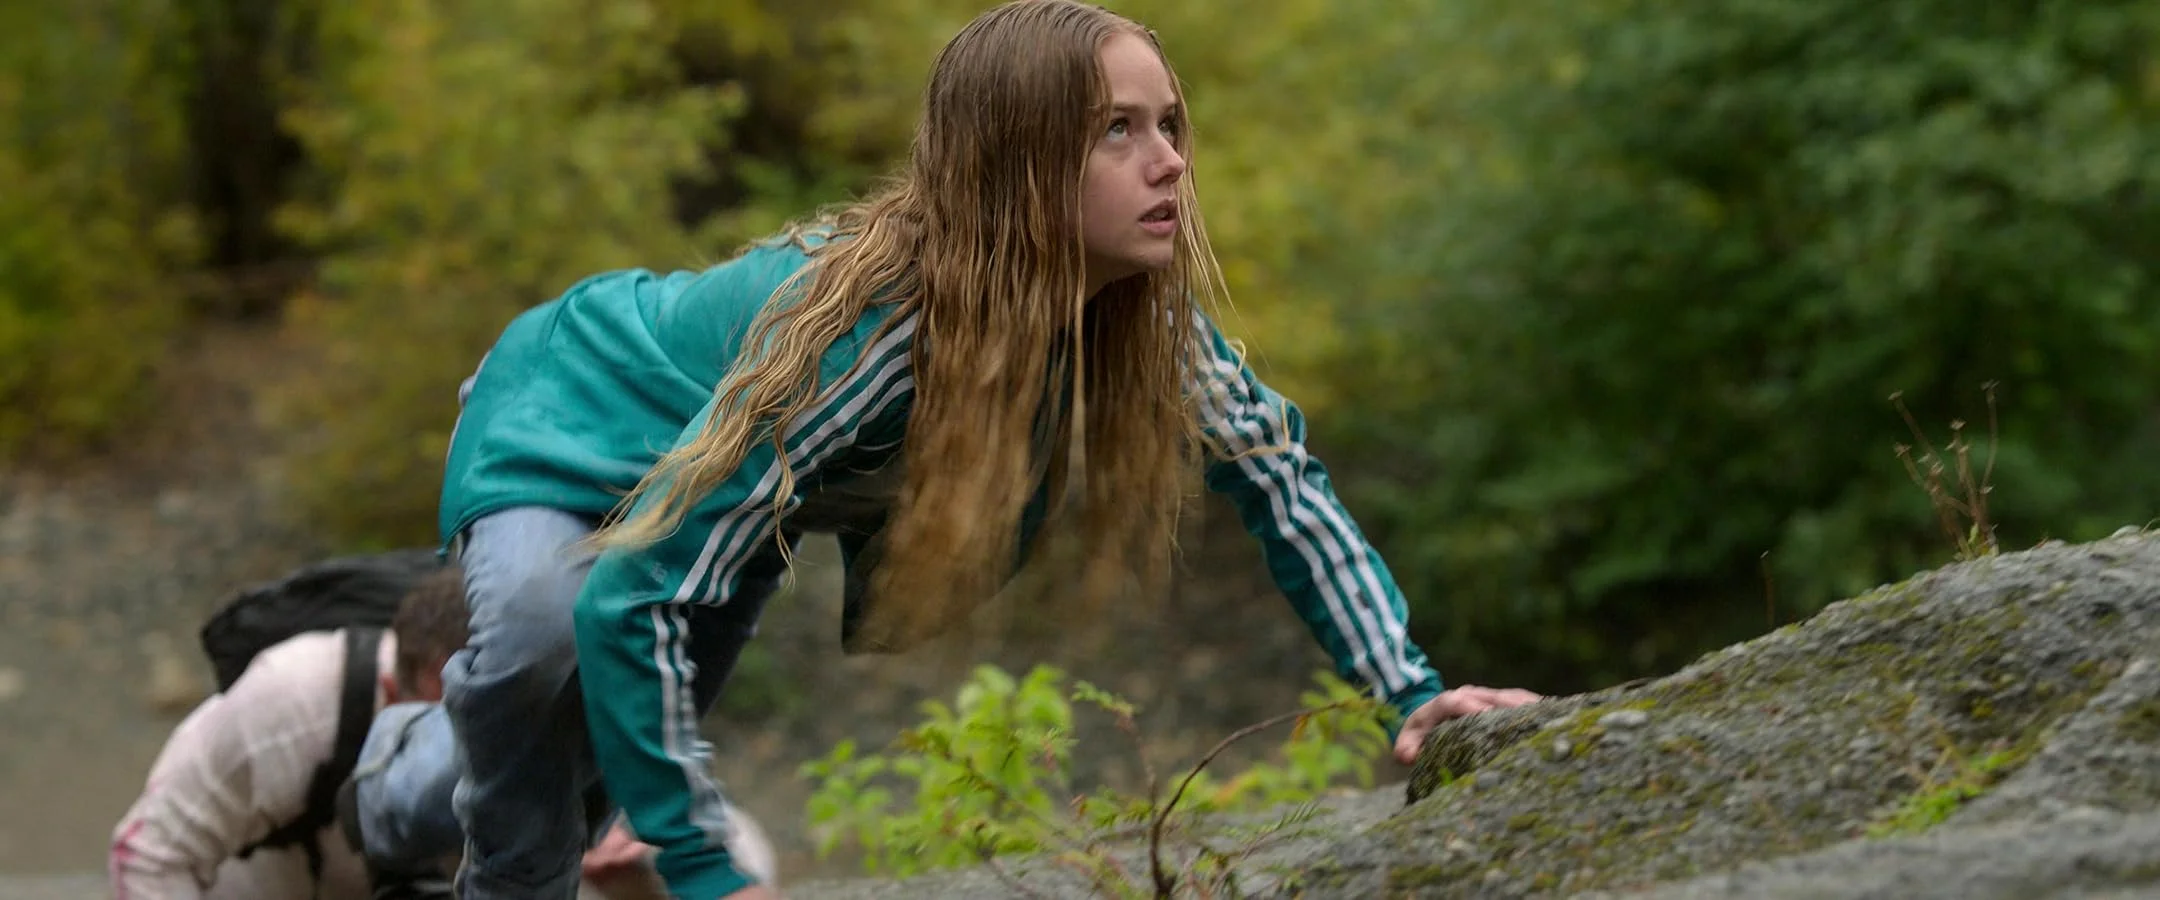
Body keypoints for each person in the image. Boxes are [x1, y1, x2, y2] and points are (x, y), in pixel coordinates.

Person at [355, 2, 1543, 898]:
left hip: (731, 485)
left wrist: (1414, 690)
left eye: (1170, 125)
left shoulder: (1145, 329)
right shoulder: (875, 337)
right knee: (544, 645)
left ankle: (451, 786)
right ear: (1013, 166)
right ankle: (388, 777)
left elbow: (1283, 485)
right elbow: (633, 598)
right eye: (1116, 131)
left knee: (586, 761)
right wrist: (709, 872)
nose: (1171, 160)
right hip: (566, 407)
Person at [108, 564, 471, 900]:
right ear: (391, 693)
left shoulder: (497, 720)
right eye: (436, 730)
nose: (446, 755)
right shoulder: (291, 704)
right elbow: (150, 857)